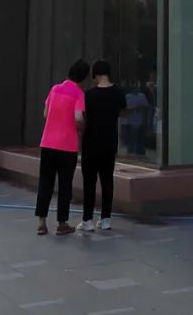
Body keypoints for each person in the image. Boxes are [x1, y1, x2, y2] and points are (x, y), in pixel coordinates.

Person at [35, 60, 87, 236]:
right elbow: (78, 117)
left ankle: (41, 222)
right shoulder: (79, 93)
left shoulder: (55, 89)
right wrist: (81, 129)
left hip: (48, 142)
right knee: (65, 184)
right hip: (68, 145)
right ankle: (62, 223)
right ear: (83, 78)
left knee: (45, 182)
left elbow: (45, 113)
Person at [77, 60, 125, 233]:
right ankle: (106, 219)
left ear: (96, 75)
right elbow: (121, 112)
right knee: (107, 180)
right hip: (110, 141)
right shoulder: (118, 93)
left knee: (89, 182)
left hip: (91, 142)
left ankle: (87, 220)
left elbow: (81, 117)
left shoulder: (89, 94)